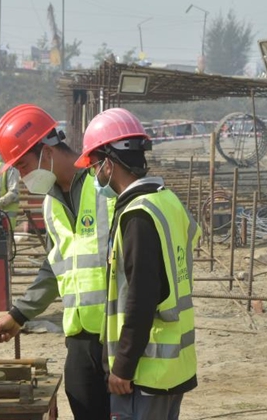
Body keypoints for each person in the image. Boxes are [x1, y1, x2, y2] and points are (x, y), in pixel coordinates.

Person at [0, 104, 113, 419]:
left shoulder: (106, 188)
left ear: (46, 150)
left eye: (23, 164)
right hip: (80, 335)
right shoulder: (51, 203)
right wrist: (18, 315)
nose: (22, 175)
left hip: (120, 332)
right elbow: (55, 266)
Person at [75, 108, 200, 420]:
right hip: (173, 367)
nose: (94, 174)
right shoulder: (166, 201)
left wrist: (123, 366)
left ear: (109, 163)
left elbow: (141, 297)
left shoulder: (138, 215)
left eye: (94, 166)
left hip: (146, 371)